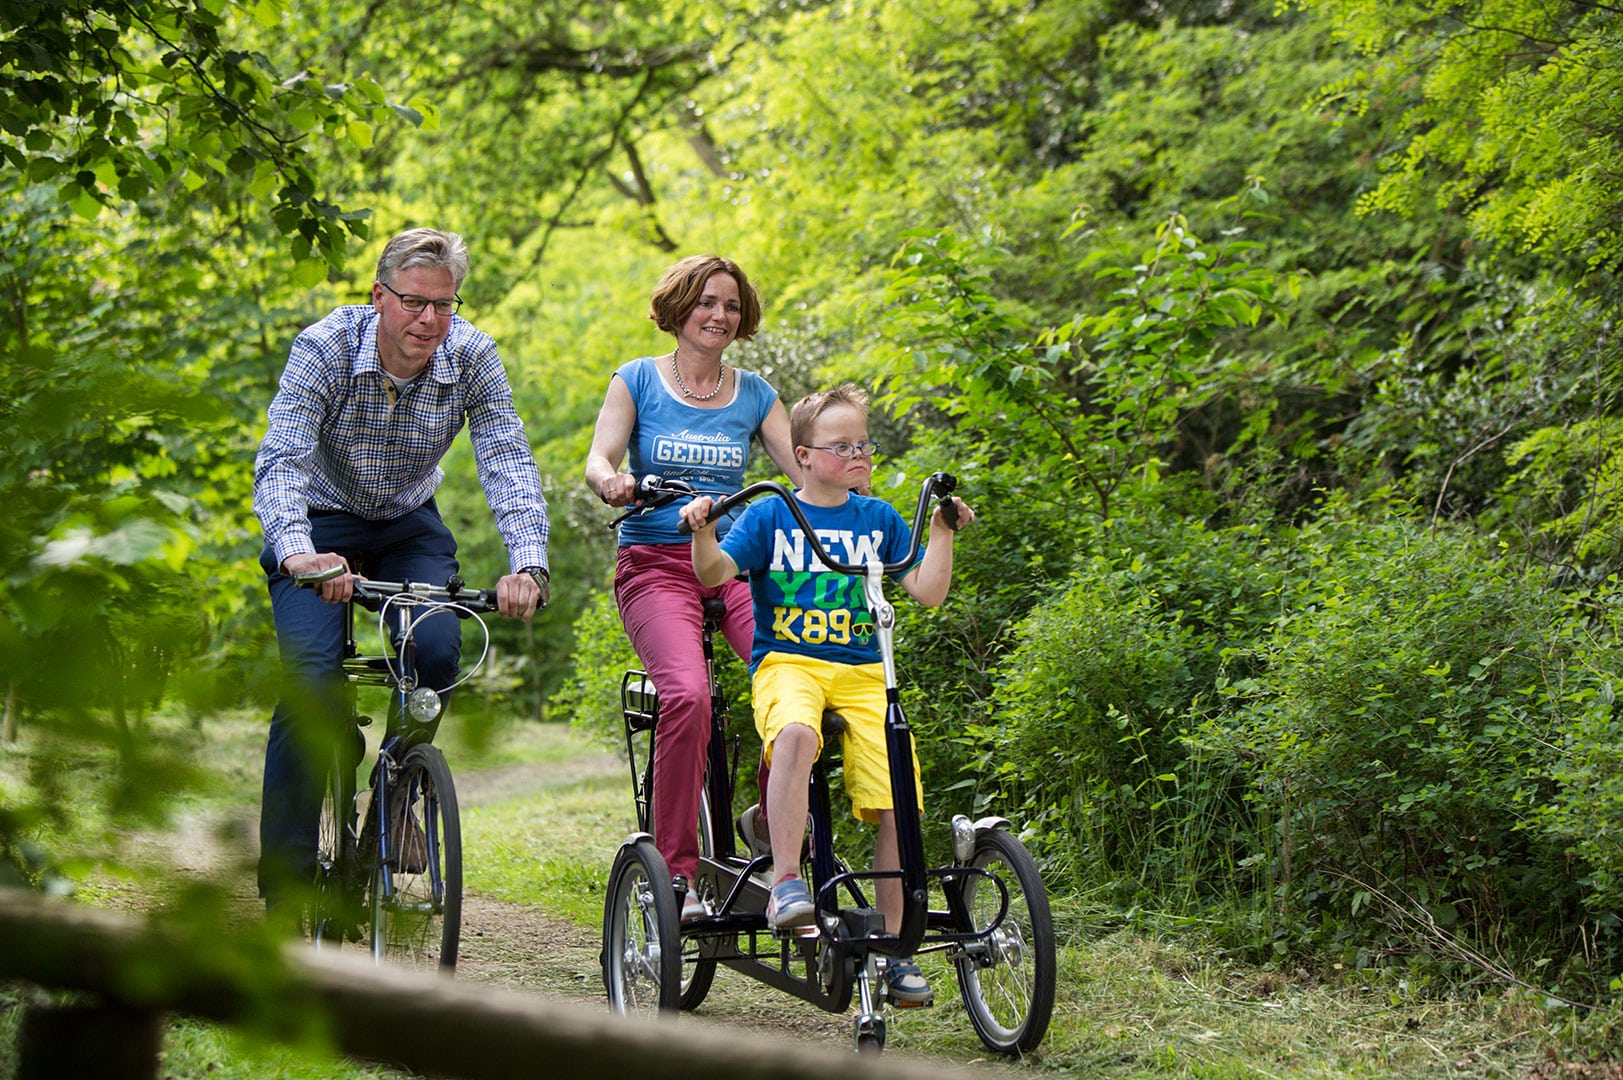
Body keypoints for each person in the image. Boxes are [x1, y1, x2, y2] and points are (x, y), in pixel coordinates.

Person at [253, 226, 551, 914]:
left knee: (438, 649)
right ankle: (288, 891)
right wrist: (299, 551)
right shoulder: (324, 346)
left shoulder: (473, 354)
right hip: (320, 521)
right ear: (379, 296)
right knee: (309, 689)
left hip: (406, 522)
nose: (429, 321)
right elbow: (282, 459)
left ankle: (394, 797)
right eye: (415, 303)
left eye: (444, 306)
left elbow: (506, 459)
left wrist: (527, 565)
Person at [678, 382, 974, 1008]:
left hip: (868, 670)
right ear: (804, 454)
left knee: (898, 796)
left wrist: (943, 533)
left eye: (863, 444)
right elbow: (714, 575)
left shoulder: (879, 519)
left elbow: (926, 591)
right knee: (794, 733)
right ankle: (787, 879)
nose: (858, 455)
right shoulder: (771, 513)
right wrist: (703, 532)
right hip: (791, 662)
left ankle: (895, 948)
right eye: (842, 446)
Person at [584, 254, 799, 923]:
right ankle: (674, 874)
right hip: (656, 562)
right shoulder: (638, 381)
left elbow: (801, 469)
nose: (719, 316)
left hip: (733, 563)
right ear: (678, 307)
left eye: (731, 306)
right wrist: (611, 481)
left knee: (792, 682)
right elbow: (599, 457)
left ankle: (770, 818)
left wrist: (844, 491)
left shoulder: (757, 394)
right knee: (687, 696)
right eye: (707, 302)